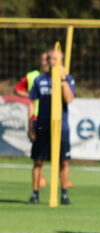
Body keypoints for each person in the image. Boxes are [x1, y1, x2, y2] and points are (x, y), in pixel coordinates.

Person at [27, 49, 76, 205]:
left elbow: (69, 99)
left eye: (55, 58)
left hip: (61, 127)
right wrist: (31, 126)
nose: (51, 61)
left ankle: (64, 194)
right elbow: (31, 102)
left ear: (60, 60)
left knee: (64, 161)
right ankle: (35, 195)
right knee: (38, 161)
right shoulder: (39, 79)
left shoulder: (67, 78)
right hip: (42, 126)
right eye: (49, 58)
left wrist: (62, 80)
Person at [14, 51, 49, 188]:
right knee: (39, 151)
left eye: (47, 59)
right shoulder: (32, 76)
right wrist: (31, 95)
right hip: (36, 116)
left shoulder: (57, 76)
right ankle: (40, 177)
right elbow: (17, 89)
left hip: (51, 117)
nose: (45, 62)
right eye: (43, 59)